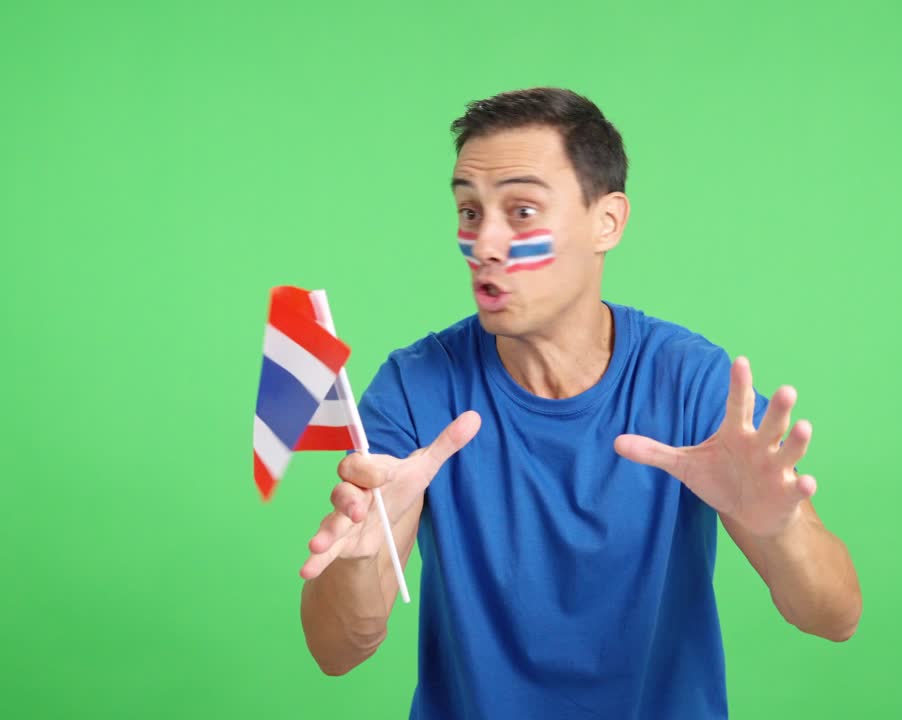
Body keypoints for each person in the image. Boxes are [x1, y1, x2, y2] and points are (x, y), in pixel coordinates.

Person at [298, 87, 861, 719]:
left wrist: (780, 530)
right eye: (469, 211)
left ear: (607, 222)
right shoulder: (415, 386)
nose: (484, 244)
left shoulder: (690, 381)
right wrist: (359, 561)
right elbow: (335, 651)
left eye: (522, 211)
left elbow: (835, 617)